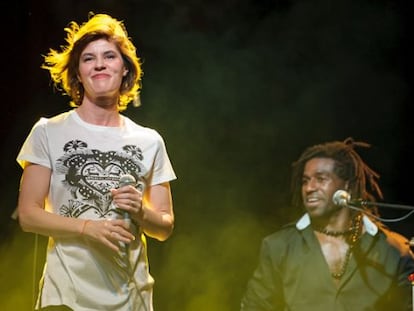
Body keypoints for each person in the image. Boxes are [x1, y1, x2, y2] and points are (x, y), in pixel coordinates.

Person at [16, 13, 176, 311]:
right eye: (88, 58)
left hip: (132, 297)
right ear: (77, 73)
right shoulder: (48, 131)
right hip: (66, 297)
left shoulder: (149, 140)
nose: (99, 64)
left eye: (109, 56)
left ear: (125, 69)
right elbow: (28, 215)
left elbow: (164, 226)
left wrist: (140, 210)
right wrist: (87, 227)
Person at [240, 138, 414, 311]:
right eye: (305, 181)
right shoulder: (279, 247)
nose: (309, 188)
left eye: (321, 179)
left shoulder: (395, 250)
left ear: (346, 186)